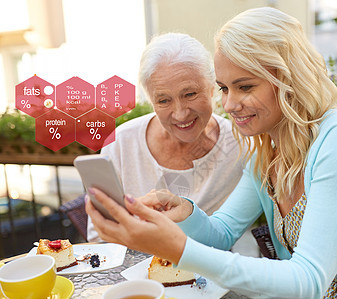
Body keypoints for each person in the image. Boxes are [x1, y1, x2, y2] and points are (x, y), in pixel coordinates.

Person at [86, 7, 337, 299]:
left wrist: (178, 248)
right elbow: (221, 234)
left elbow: (307, 280)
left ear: (290, 78)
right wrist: (183, 211)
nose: (230, 104)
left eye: (245, 86)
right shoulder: (267, 152)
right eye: (224, 88)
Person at [87, 32, 246, 241]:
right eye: (163, 101)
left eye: (189, 94)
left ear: (211, 88)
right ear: (151, 101)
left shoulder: (242, 143)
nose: (180, 114)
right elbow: (99, 236)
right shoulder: (121, 142)